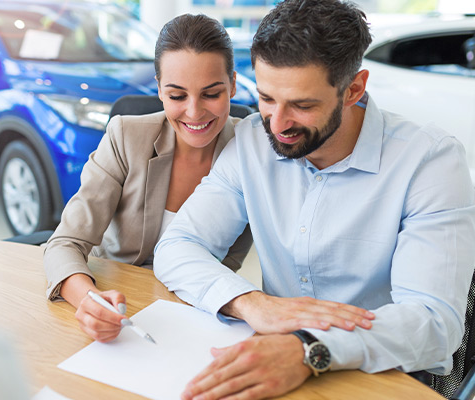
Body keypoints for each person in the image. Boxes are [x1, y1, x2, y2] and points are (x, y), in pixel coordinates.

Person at [154, 0, 475, 399]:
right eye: (268, 98)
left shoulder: (429, 160)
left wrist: (309, 347)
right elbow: (178, 245)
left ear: (354, 89)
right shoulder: (253, 139)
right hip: (275, 358)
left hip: (383, 374)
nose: (278, 123)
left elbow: (434, 325)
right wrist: (252, 303)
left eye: (302, 105)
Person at [43, 14, 253, 343]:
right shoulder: (127, 136)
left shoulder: (253, 151)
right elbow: (64, 243)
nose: (195, 112)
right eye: (177, 96)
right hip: (118, 304)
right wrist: (88, 301)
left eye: (211, 94)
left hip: (197, 312)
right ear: (158, 89)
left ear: (234, 85)